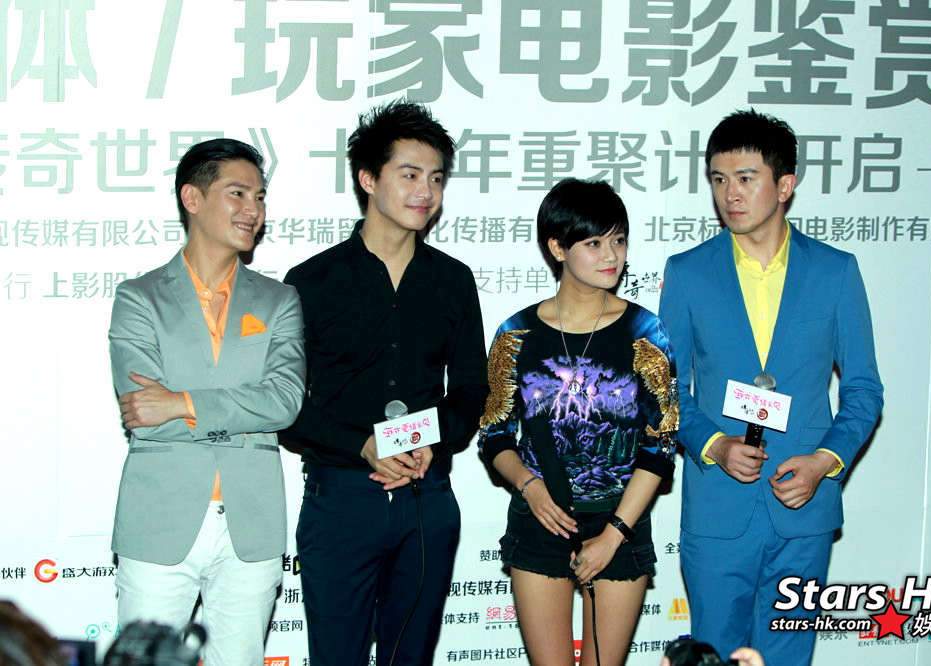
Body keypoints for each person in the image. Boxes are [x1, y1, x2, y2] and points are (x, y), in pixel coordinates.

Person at [659, 110, 883, 665]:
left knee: (787, 658)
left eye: (745, 178)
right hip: (718, 506)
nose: (730, 194)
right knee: (713, 655)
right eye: (718, 179)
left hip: (803, 506)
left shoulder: (835, 271)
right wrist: (715, 445)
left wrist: (824, 462)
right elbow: (663, 389)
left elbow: (863, 390)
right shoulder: (688, 272)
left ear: (785, 185)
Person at [281, 100, 488, 666]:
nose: (426, 191)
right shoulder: (312, 281)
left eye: (436, 178)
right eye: (410, 175)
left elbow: (470, 391)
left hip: (427, 497)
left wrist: (430, 440)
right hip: (342, 499)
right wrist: (364, 444)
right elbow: (288, 406)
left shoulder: (452, 280)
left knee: (410, 658)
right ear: (368, 179)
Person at [108, 139, 306, 666]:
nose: (253, 210)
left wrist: (181, 402)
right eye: (237, 193)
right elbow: (144, 414)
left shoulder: (279, 300)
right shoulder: (139, 297)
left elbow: (285, 401)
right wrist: (235, 412)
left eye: (259, 197)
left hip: (251, 522)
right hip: (159, 519)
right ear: (192, 198)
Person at [478, 178, 678, 666]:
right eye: (594, 243)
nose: (611, 255)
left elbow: (661, 447)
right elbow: (495, 433)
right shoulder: (517, 333)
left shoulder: (646, 332)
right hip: (540, 518)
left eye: (619, 240)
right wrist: (530, 487)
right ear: (557, 247)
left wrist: (613, 534)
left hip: (620, 522)